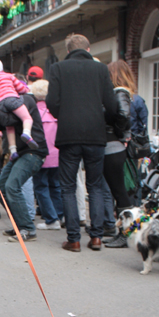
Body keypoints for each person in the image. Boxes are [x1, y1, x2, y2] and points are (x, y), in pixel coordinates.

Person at [46, 33, 118, 252]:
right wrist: (101, 119)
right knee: (95, 185)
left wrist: (64, 115)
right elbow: (112, 105)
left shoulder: (58, 68)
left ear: (68, 51)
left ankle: (74, 239)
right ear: (88, 50)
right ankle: (96, 237)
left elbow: (52, 101)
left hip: (69, 134)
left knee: (68, 187)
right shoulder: (101, 69)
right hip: (95, 134)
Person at [0, 91, 47, 241]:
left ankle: (28, 229)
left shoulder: (26, 100)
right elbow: (7, 124)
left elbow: (10, 120)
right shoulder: (7, 104)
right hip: (19, 153)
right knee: (0, 189)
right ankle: (20, 225)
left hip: (33, 152)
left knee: (12, 186)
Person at [101, 60, 134, 249]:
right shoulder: (119, 93)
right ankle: (123, 233)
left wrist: (120, 133)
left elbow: (123, 115)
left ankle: (126, 234)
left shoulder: (120, 92)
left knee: (120, 193)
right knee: (118, 192)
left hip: (113, 147)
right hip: (113, 146)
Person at [29, 78, 63, 230]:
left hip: (40, 155)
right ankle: (59, 215)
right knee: (56, 185)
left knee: (41, 186)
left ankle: (51, 219)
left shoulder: (33, 112)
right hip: (57, 155)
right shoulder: (56, 111)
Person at [0, 57, 37, 153]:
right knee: (27, 118)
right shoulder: (8, 75)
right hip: (11, 99)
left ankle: (13, 150)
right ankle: (27, 133)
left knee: (9, 126)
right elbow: (20, 88)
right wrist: (26, 90)